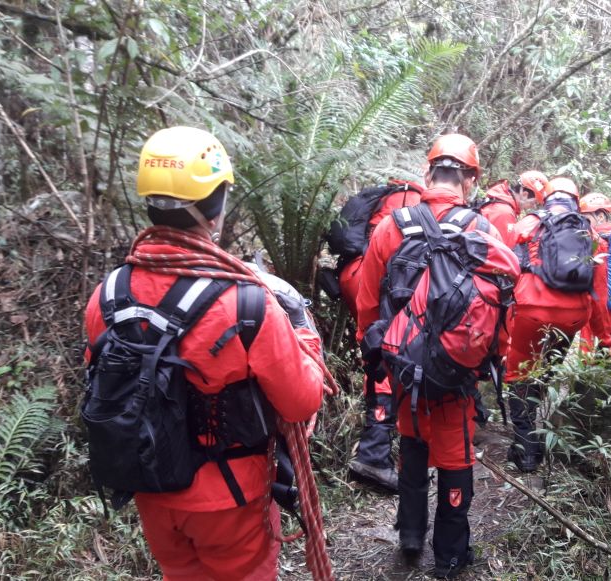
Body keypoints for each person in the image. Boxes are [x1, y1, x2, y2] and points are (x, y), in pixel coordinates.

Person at [84, 127, 326, 581]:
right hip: (229, 499)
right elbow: (301, 401)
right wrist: (302, 333)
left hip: (152, 490)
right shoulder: (247, 302)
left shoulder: (108, 296)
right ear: (214, 207)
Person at [355, 133, 515, 578]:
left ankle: (409, 536)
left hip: (403, 366)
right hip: (455, 372)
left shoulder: (394, 224)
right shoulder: (482, 229)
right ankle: (449, 556)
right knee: (455, 456)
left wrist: (378, 351)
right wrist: (490, 358)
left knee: (412, 442)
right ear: (471, 178)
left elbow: (368, 300)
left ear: (428, 172)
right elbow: (501, 303)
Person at [505, 176, 603, 472]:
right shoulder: (588, 229)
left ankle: (526, 451)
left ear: (546, 198)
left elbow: (506, 259)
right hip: (574, 316)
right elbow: (598, 280)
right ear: (575, 200)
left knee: (518, 375)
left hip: (531, 309)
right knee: (546, 367)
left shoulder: (531, 222)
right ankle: (538, 434)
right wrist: (604, 337)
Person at [337, 181, 423, 491]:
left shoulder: (385, 197)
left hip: (352, 272)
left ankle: (376, 447)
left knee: (377, 349)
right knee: (389, 350)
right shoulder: (411, 201)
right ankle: (373, 456)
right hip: (371, 273)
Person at [578, 192, 611, 358]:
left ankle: (582, 380)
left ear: (600, 216)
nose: (583, 223)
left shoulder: (596, 241)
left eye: (586, 218)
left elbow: (597, 286)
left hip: (600, 309)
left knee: (588, 351)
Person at [478, 170, 548, 247]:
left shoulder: (500, 200)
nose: (533, 206)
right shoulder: (504, 212)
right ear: (524, 195)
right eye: (533, 203)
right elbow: (501, 250)